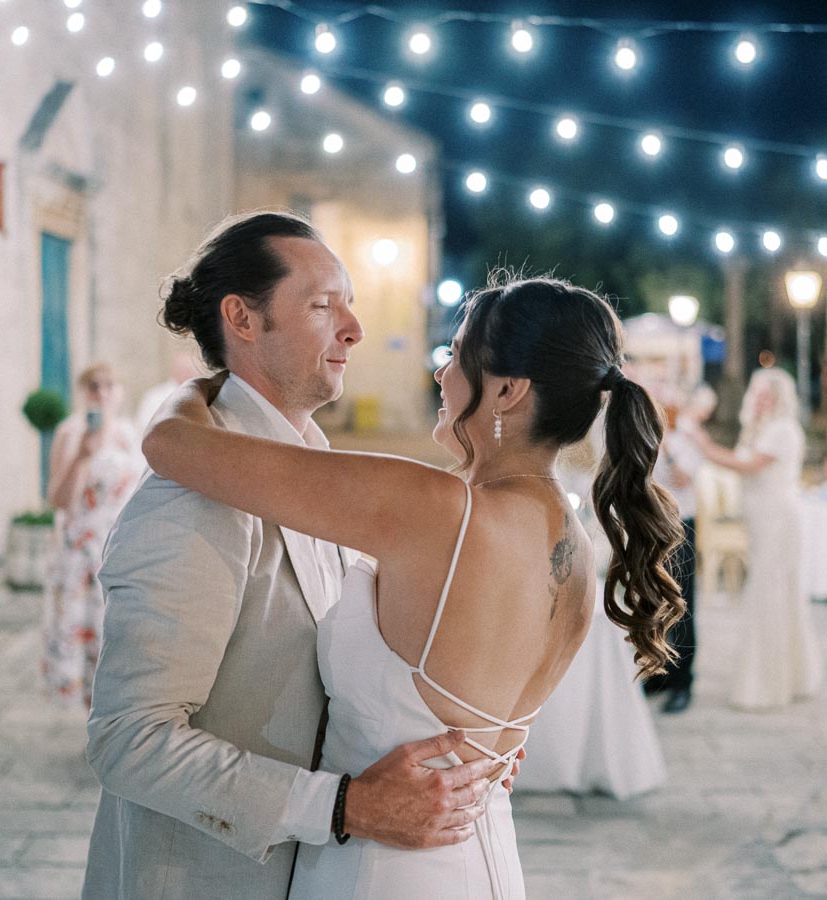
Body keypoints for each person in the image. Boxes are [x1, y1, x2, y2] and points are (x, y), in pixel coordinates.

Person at [141, 271, 687, 899]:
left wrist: (202, 386)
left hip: (385, 870)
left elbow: (171, 445)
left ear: (507, 390)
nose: (441, 373)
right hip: (484, 859)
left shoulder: (434, 509)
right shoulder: (575, 544)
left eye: (456, 355)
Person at [82, 213, 508, 899]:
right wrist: (344, 807)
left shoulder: (318, 477)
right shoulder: (193, 497)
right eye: (322, 305)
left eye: (349, 304)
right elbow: (128, 739)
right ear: (243, 319)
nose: (354, 329)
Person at [693, 368, 823, 710]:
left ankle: (768, 684)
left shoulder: (782, 430)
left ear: (780, 398)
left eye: (767, 395)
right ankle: (788, 676)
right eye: (758, 393)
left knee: (770, 590)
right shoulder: (760, 429)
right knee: (773, 590)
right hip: (762, 519)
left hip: (778, 518)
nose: (760, 400)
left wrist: (704, 446)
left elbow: (748, 465)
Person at [41, 362, 144, 707]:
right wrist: (81, 458)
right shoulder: (70, 432)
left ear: (120, 392)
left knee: (120, 639)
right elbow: (58, 500)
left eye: (109, 385)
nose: (102, 393)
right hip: (82, 550)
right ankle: (92, 714)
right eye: (94, 386)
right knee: (85, 635)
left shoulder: (130, 433)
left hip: (122, 544)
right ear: (83, 392)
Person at [650, 383, 717, 713]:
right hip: (652, 523)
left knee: (682, 604)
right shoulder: (648, 435)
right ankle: (660, 672)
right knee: (655, 603)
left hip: (680, 525)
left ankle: (683, 681)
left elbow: (681, 478)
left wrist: (667, 449)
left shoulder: (687, 439)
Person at [134, 350, 201, 429]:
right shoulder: (155, 397)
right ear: (175, 370)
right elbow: (143, 426)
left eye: (196, 370)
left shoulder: (201, 395)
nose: (194, 373)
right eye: (189, 369)